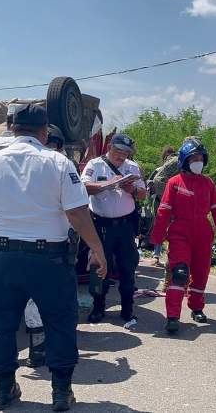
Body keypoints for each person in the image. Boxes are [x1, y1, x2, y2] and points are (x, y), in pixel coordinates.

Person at [0, 103, 108, 411]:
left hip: (5, 258)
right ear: (44, 131)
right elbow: (77, 212)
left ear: (13, 128)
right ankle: (60, 393)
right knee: (60, 323)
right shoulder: (58, 162)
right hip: (50, 261)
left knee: (1, 323)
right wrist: (97, 249)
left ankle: (2, 391)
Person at [150, 138, 216, 333]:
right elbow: (164, 211)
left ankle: (196, 307)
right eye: (194, 158)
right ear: (185, 161)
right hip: (180, 233)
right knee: (179, 273)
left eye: (201, 158)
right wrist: (156, 237)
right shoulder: (174, 183)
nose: (198, 162)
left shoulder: (208, 183)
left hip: (203, 234)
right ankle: (172, 316)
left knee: (201, 275)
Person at [81, 133, 147, 325]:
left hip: (125, 226)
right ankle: (98, 306)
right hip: (101, 226)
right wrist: (106, 185)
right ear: (109, 147)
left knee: (128, 267)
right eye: (118, 151)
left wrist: (131, 190)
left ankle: (127, 308)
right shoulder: (95, 164)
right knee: (99, 267)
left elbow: (142, 194)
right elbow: (83, 186)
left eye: (125, 153)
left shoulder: (132, 167)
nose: (121, 156)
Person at [24, 124, 70, 369]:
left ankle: (36, 351)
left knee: (26, 303)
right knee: (49, 302)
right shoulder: (60, 164)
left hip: (10, 246)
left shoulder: (5, 161)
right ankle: (46, 354)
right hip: (49, 247)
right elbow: (76, 209)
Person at [148, 145, 177, 268]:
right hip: (161, 201)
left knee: (166, 227)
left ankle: (162, 256)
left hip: (170, 202)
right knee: (161, 227)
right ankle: (157, 255)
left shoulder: (179, 169)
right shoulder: (160, 170)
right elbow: (150, 184)